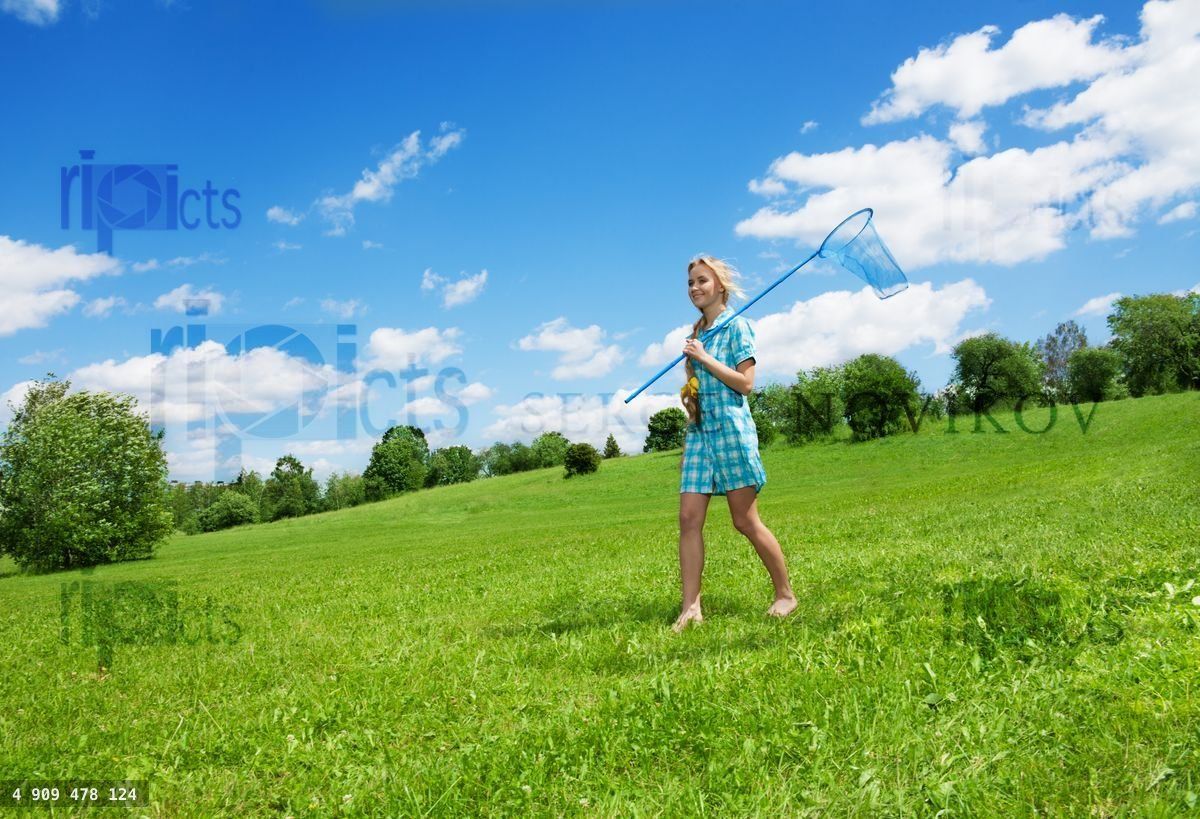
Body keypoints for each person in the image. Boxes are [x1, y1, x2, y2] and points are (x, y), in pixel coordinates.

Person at [673, 255, 797, 632]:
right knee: (688, 519)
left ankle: (785, 594)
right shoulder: (696, 336)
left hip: (731, 432)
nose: (695, 288)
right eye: (691, 282)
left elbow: (745, 384)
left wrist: (705, 359)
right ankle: (691, 607)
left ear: (720, 286)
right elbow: (700, 390)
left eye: (702, 281)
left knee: (744, 520)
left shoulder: (737, 327)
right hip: (700, 435)